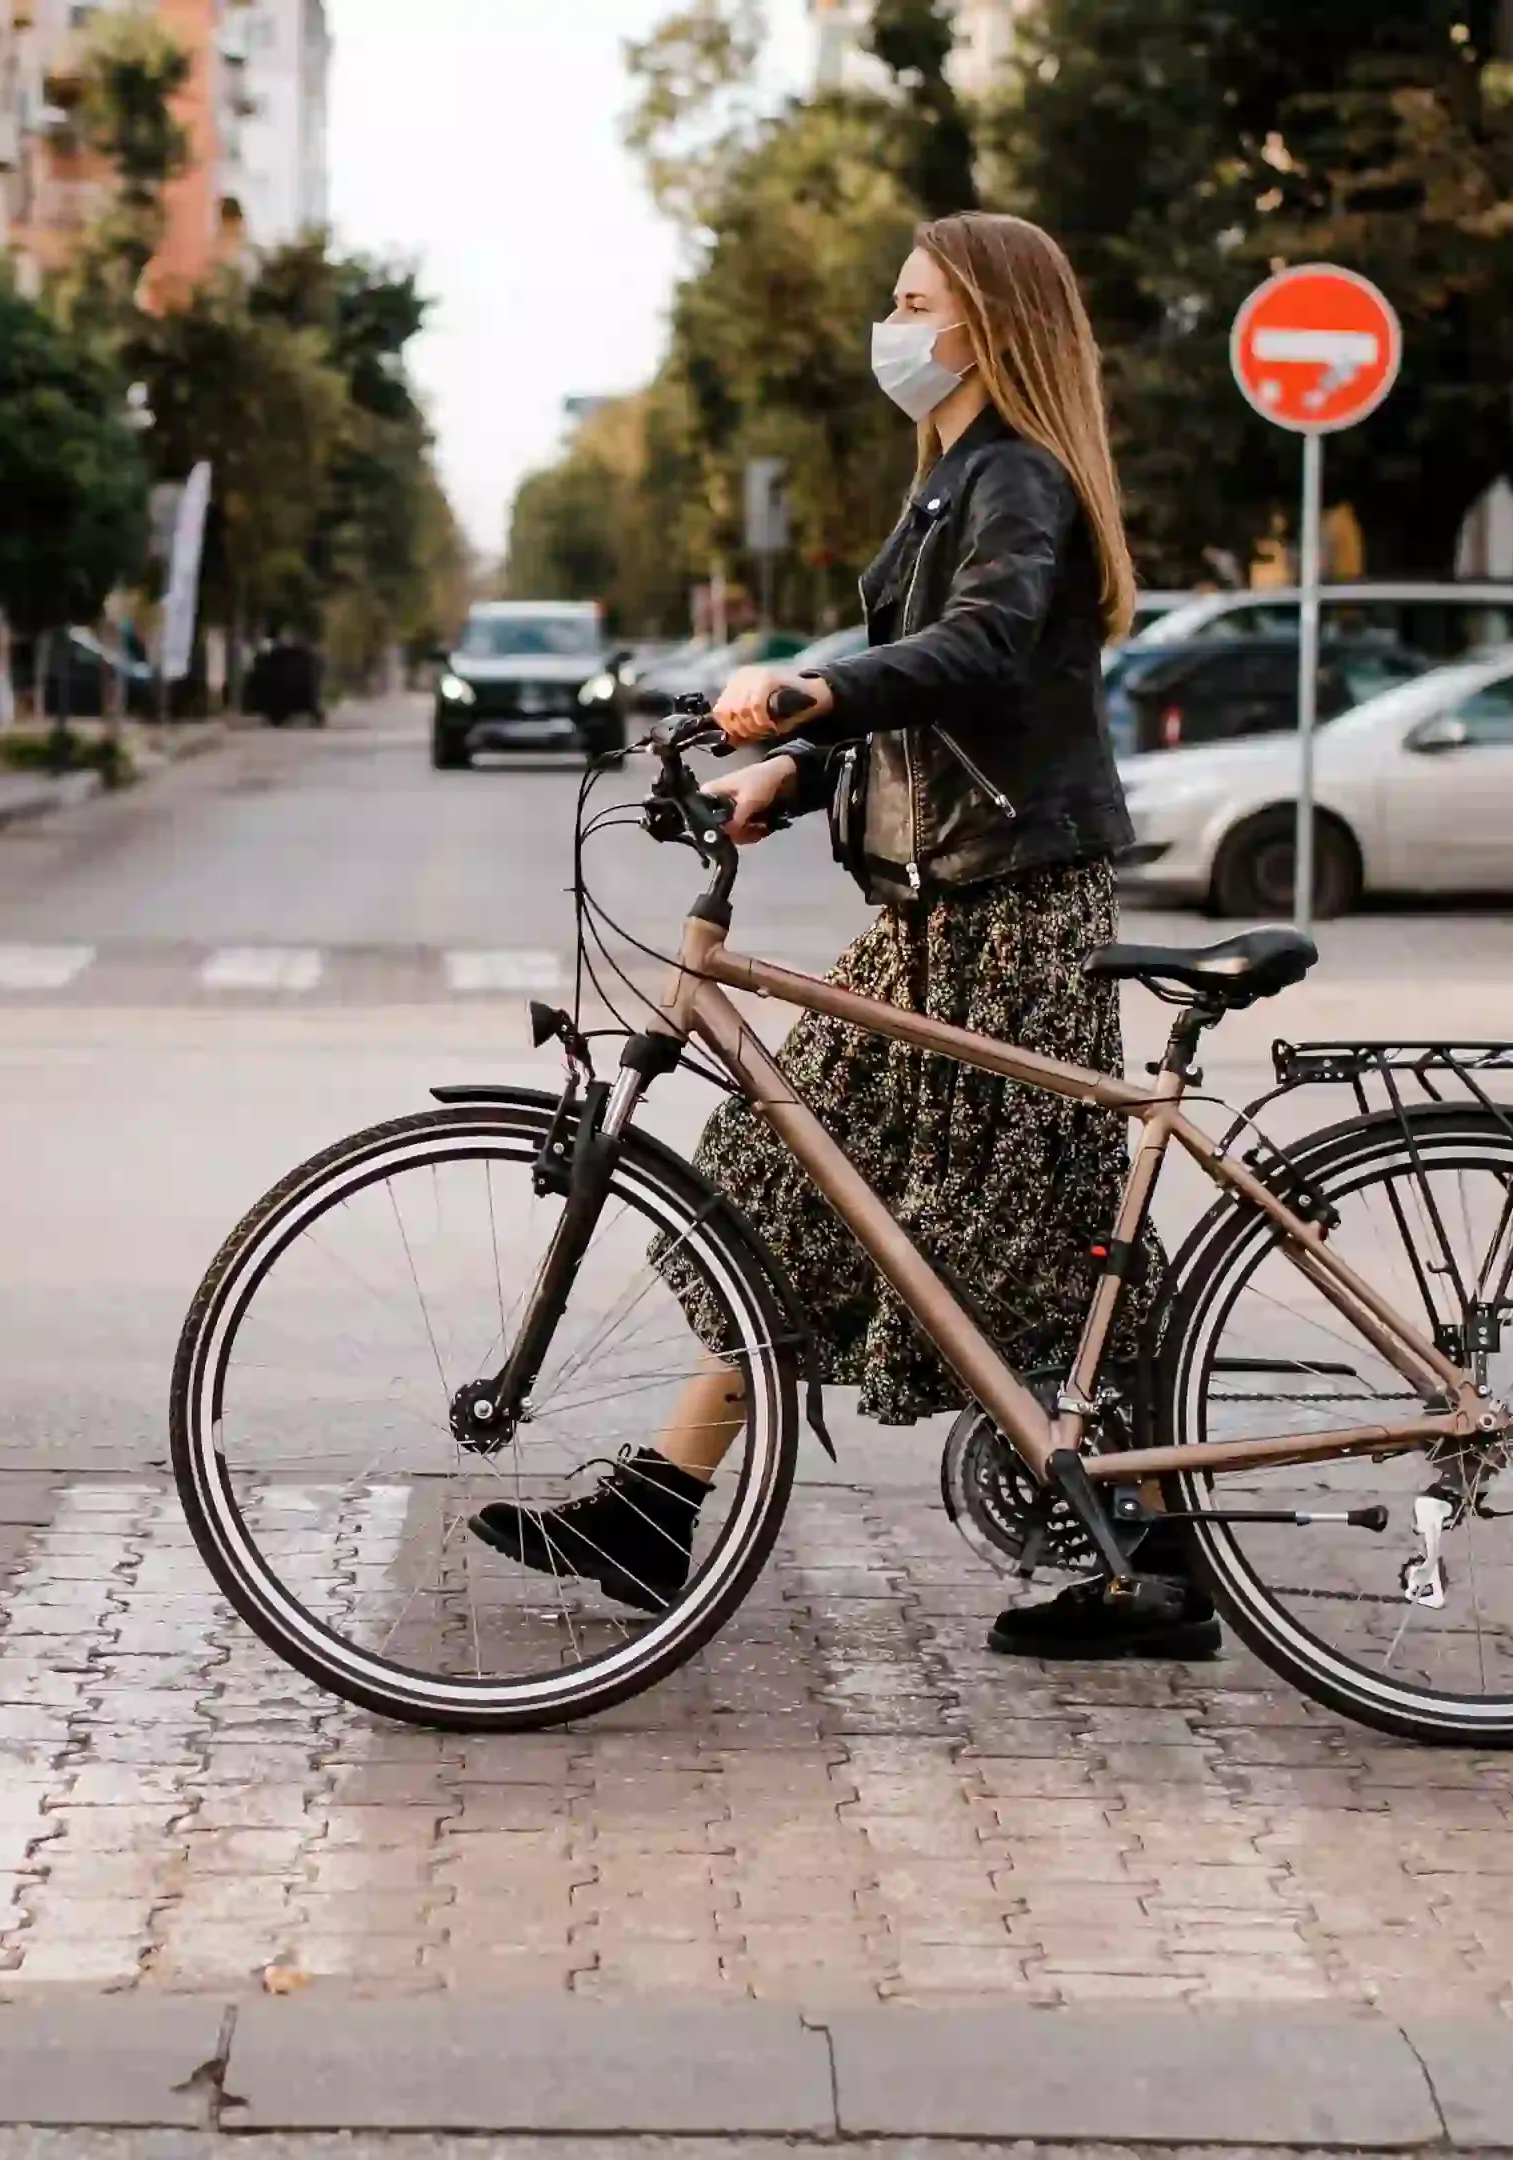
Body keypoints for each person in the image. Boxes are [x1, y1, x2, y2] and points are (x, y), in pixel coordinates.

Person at [465, 211, 1212, 1661]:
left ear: (985, 322)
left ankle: (1158, 1562)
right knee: (779, 1196)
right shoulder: (957, 483)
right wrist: (794, 772)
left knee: (1037, 1233)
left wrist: (810, 691)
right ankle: (659, 1507)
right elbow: (946, 707)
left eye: (913, 299)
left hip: (1011, 912)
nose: (894, 322)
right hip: (941, 906)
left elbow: (987, 651)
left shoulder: (1019, 478)